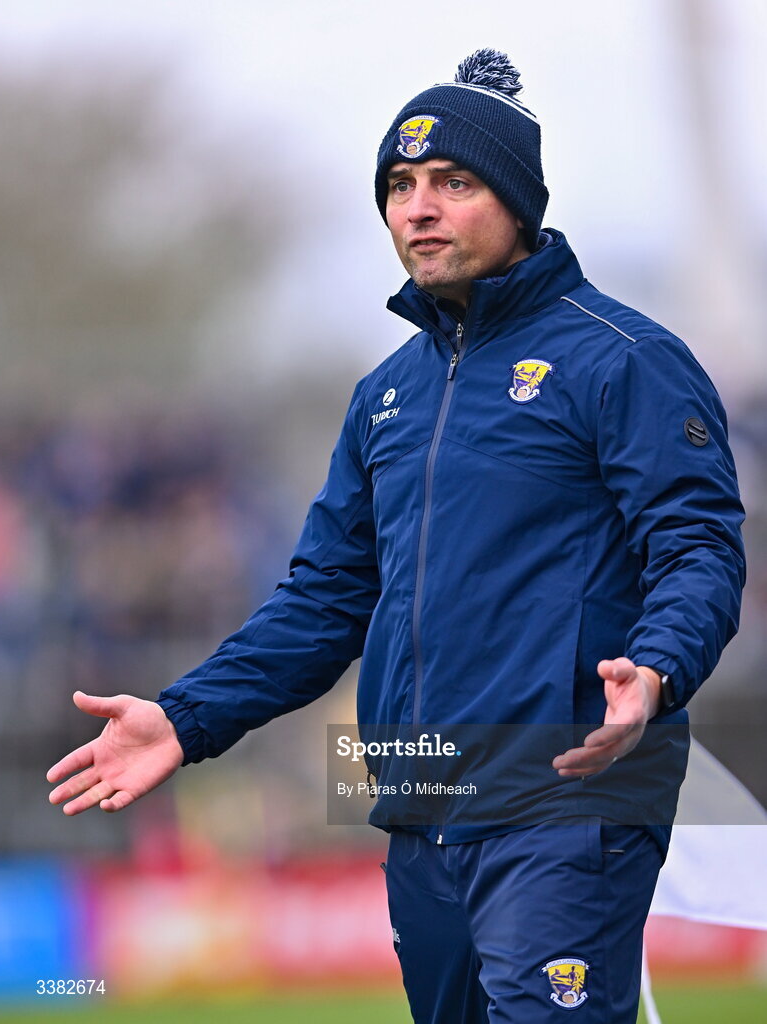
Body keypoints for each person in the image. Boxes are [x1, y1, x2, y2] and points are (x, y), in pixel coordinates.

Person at [48, 50, 745, 1023]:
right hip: (421, 794)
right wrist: (184, 716)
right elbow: (321, 601)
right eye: (399, 185)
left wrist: (658, 666)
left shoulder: (624, 359)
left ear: (517, 201)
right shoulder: (385, 394)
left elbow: (698, 545)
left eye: (453, 182)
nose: (418, 208)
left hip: (569, 790)